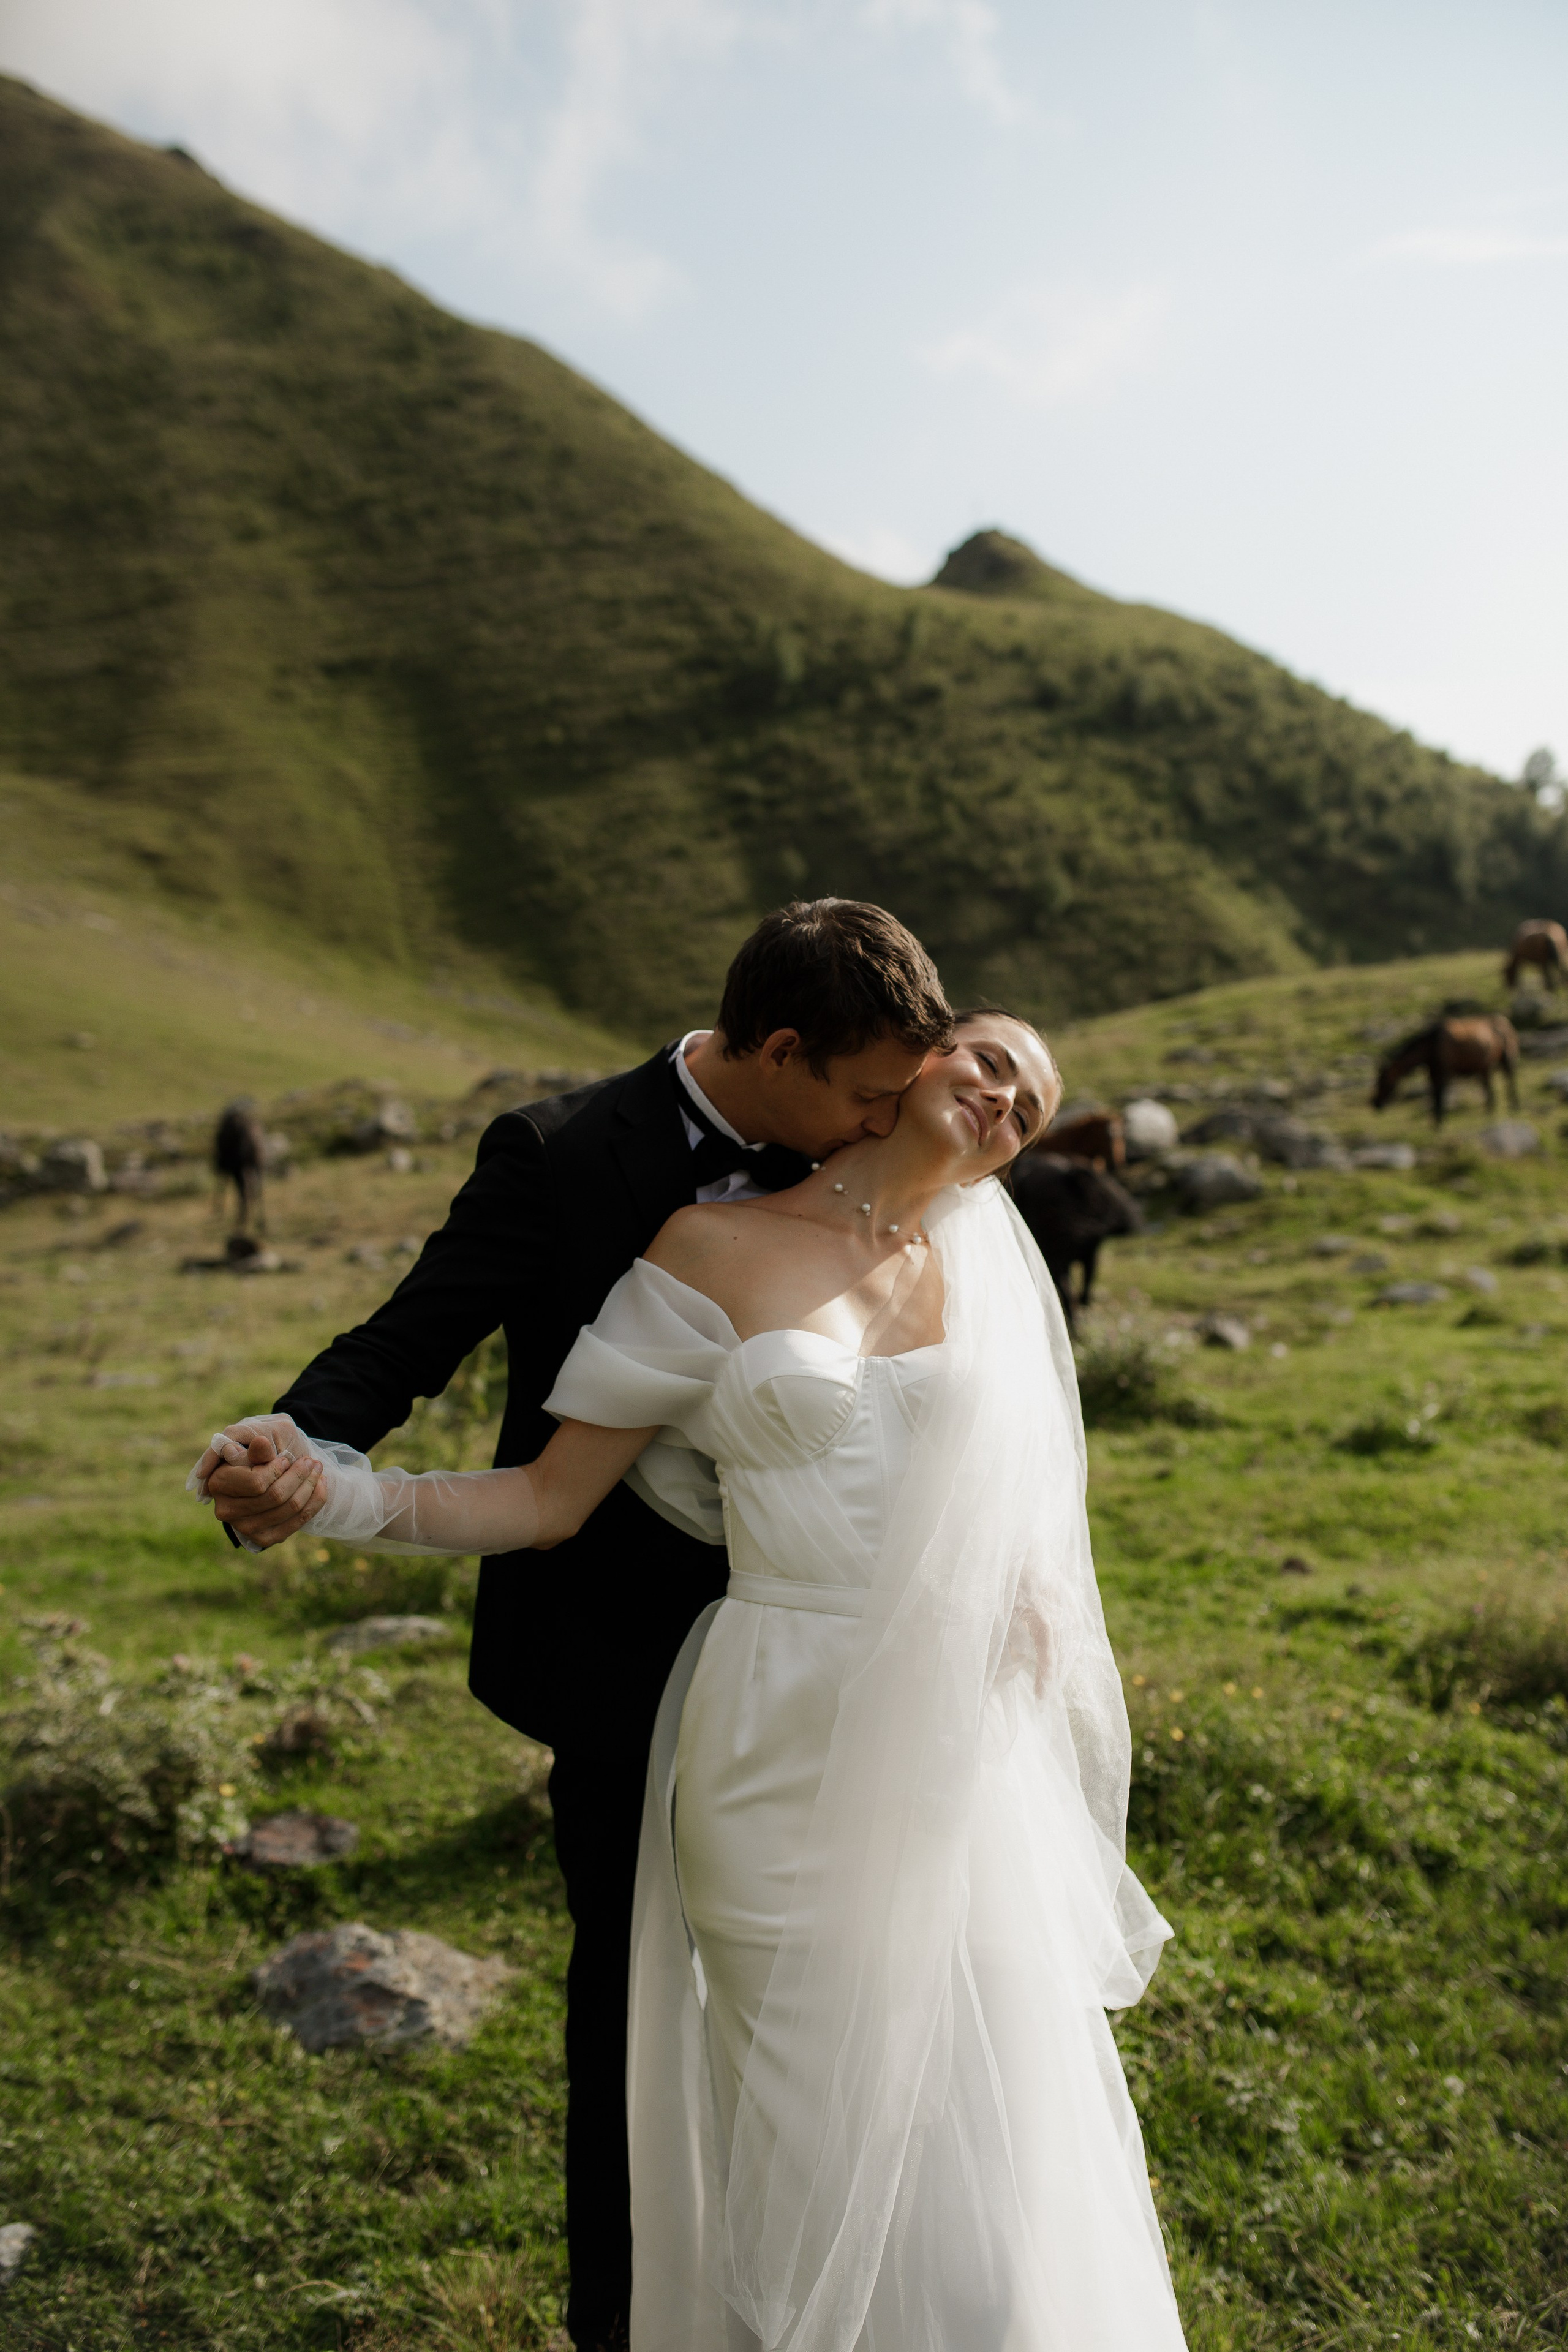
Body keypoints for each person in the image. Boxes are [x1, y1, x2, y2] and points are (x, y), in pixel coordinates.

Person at [194, 1011, 1186, 2351]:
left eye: (1030, 1100)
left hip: (955, 1746)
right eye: (987, 1058)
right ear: (910, 1069)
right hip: (770, 1733)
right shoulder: (708, 1246)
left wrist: (1023, 1612)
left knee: (979, 2098)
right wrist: (335, 1493)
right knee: (796, 2107)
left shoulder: (983, 1288)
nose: (1005, 1096)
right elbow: (546, 1499)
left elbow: (1005, 1516)